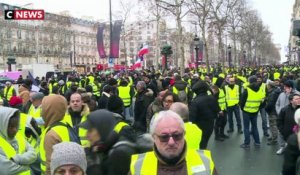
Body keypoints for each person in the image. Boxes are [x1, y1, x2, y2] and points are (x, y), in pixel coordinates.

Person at [129, 110, 217, 175]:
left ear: (184, 134)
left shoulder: (206, 162)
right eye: (164, 137)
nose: (171, 142)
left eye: (177, 135)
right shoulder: (137, 167)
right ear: (154, 138)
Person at [79, 109, 136, 175]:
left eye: (90, 130)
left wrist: (91, 163)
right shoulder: (106, 147)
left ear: (102, 130)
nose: (87, 135)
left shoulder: (120, 154)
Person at [0, 106, 37, 175]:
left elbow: (34, 154)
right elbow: (6, 170)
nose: (15, 130)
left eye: (16, 126)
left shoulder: (18, 136)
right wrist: (27, 166)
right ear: (2, 125)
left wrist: (17, 159)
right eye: (11, 126)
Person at [39, 94, 69, 175]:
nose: (41, 111)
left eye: (43, 108)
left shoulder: (51, 135)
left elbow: (51, 167)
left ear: (49, 110)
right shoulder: (64, 125)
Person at [190, 80, 220, 149]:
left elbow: (192, 119)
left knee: (198, 145)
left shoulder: (195, 101)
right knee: (204, 143)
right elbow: (216, 110)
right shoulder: (212, 98)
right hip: (210, 125)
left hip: (198, 127)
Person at [240, 76, 263, 149]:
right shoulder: (260, 89)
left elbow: (242, 101)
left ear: (249, 81)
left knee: (246, 128)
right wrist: (257, 108)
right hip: (255, 111)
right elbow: (262, 101)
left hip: (246, 111)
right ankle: (257, 142)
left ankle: (247, 144)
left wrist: (242, 109)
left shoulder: (247, 89)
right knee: (255, 127)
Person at [276, 80, 298, 155]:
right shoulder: (281, 94)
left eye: (286, 87)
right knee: (281, 133)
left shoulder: (297, 95)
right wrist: (279, 111)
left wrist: (289, 94)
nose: (284, 88)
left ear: (291, 87)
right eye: (284, 86)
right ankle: (282, 147)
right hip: (283, 116)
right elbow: (277, 104)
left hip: (292, 117)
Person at [265, 81, 281, 145]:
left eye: (268, 85)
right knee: (272, 125)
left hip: (272, 111)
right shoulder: (275, 92)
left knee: (273, 125)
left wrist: (266, 108)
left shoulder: (273, 93)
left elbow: (271, 103)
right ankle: (273, 136)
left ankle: (274, 139)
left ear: (270, 86)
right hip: (274, 110)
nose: (267, 87)